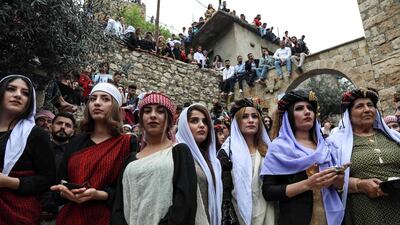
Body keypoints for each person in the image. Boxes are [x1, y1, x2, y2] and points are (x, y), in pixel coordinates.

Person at [51, 83, 134, 225]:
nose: (97, 103)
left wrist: (99, 195)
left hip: (105, 218)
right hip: (71, 217)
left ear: (116, 107)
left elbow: (128, 191)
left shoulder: (127, 143)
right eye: (93, 99)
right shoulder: (75, 142)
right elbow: (60, 182)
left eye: (105, 99)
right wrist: (64, 191)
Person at [261, 90, 346, 225]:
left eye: (310, 108)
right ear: (289, 116)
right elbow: (269, 192)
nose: (307, 112)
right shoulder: (278, 148)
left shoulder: (325, 146)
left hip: (331, 217)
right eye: (299, 108)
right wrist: (307, 184)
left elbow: (337, 187)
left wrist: (338, 180)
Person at [111, 92, 197, 225]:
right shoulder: (131, 159)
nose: (153, 115)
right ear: (141, 119)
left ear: (168, 119)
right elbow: (119, 206)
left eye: (160, 111)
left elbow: (185, 204)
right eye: (147, 111)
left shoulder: (179, 152)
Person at [329, 88, 400, 225]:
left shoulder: (394, 137)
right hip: (364, 211)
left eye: (370, 105)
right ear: (349, 115)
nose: (367, 109)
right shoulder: (336, 144)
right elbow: (329, 179)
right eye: (360, 106)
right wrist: (359, 185)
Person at [0, 75, 56, 224]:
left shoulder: (35, 135)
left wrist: (10, 182)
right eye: (11, 89)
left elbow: (47, 179)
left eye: (25, 93)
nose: (18, 95)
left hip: (16, 213)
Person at [218, 99, 275, 225]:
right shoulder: (226, 153)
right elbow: (224, 192)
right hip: (238, 216)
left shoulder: (269, 151)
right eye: (245, 117)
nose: (251, 120)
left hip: (269, 213)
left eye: (255, 116)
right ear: (237, 122)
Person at [176, 104, 222, 225]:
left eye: (205, 122)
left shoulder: (214, 162)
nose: (201, 125)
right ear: (184, 126)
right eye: (194, 121)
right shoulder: (175, 155)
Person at [41, 112, 76, 224]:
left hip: (62, 211)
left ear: (72, 132)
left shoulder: (76, 155)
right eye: (59, 123)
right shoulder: (38, 148)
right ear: (51, 127)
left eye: (68, 125)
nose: (62, 127)